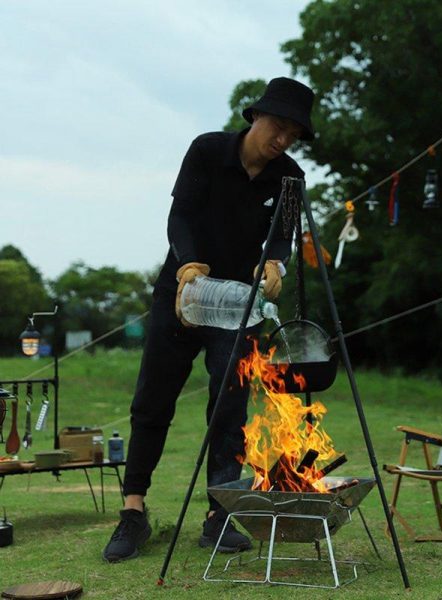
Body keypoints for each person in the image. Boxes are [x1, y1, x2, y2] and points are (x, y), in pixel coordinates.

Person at [103, 77, 315, 562]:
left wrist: (277, 263)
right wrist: (189, 263)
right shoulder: (207, 150)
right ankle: (133, 512)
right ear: (255, 117)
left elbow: (282, 237)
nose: (281, 140)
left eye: (292, 135)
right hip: (182, 291)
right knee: (152, 402)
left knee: (229, 407)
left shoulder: (291, 177)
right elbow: (180, 216)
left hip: (238, 305)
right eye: (277, 127)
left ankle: (220, 516)